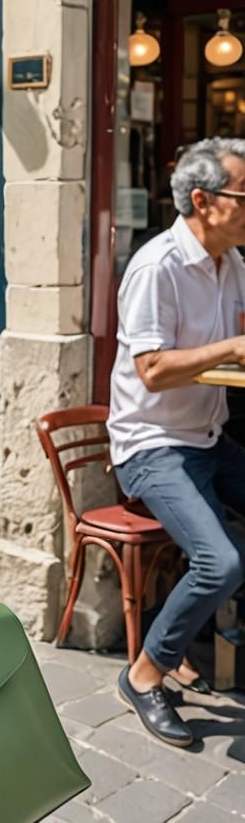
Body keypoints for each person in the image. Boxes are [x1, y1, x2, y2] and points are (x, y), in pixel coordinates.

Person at [109, 137, 245, 747]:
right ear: (203, 200)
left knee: (226, 558)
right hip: (151, 443)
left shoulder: (233, 262)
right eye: (244, 195)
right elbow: (153, 370)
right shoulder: (157, 265)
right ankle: (145, 675)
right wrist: (232, 350)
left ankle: (211, 637)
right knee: (223, 561)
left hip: (207, 436)